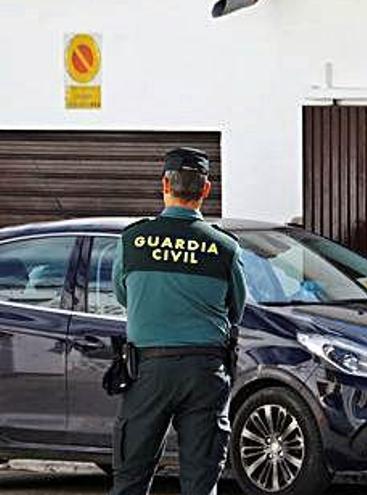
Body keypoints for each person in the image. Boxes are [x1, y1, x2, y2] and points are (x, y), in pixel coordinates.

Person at [110, 147, 247, 495]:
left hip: (148, 372)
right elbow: (236, 310)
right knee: (201, 481)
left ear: (164, 185)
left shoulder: (133, 240)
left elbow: (124, 296)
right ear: (205, 190)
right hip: (205, 372)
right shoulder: (224, 247)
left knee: (130, 478)